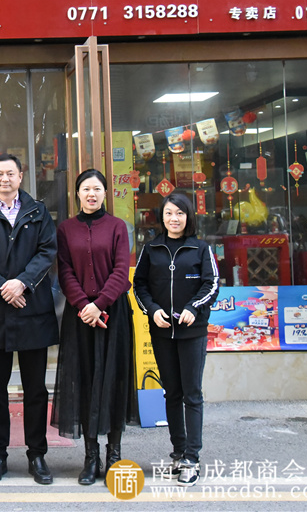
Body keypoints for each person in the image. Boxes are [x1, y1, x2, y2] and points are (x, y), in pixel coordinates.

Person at [0, 153, 58, 485]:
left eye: (11, 173)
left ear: (20, 176)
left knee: (35, 390)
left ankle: (37, 454)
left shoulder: (38, 212)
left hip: (32, 310)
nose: (5, 179)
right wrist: (3, 287)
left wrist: (22, 283)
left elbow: (47, 251)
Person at [52, 168, 133, 486]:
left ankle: (114, 454)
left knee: (114, 381)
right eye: (86, 189)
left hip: (113, 314)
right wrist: (84, 305)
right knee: (84, 381)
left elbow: (122, 271)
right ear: (77, 193)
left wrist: (99, 304)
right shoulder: (65, 229)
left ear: (105, 193)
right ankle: (90, 457)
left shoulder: (117, 227)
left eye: (97, 189)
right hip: (80, 316)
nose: (91, 194)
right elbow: (65, 271)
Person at [133, 193, 219, 487]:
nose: (174, 218)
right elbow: (139, 285)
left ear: (188, 216)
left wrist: (194, 308)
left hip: (192, 332)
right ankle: (179, 452)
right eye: (169, 213)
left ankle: (192, 458)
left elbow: (212, 284)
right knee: (171, 393)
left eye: (180, 213)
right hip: (161, 332)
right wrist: (152, 310)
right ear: (162, 216)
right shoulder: (152, 248)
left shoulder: (201, 249)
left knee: (192, 394)